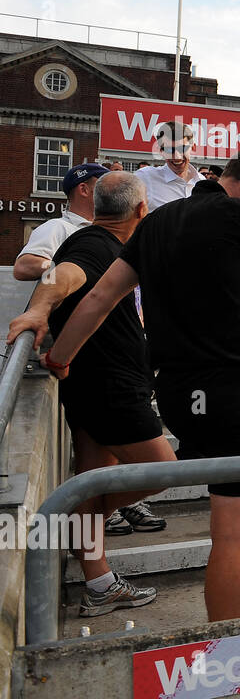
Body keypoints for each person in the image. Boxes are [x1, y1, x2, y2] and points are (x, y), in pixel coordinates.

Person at [45, 146, 240, 620]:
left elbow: (100, 297)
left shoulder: (156, 222)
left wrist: (60, 357)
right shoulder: (239, 211)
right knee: (235, 529)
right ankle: (225, 653)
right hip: (236, 388)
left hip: (183, 391)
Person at [6, 172, 170, 615]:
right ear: (140, 210)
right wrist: (39, 309)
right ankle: (73, 515)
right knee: (164, 470)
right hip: (108, 388)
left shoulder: (110, 245)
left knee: (92, 478)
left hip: (101, 385)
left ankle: (99, 584)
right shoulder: (92, 244)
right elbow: (63, 276)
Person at [13, 162, 104, 280]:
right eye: (104, 186)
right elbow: (24, 266)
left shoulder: (106, 228)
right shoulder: (57, 227)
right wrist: (69, 270)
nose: (111, 191)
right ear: (84, 189)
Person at [135, 121, 202, 211]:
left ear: (193, 148)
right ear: (161, 151)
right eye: (169, 149)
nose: (177, 156)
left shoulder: (201, 182)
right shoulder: (145, 177)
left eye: (182, 148)